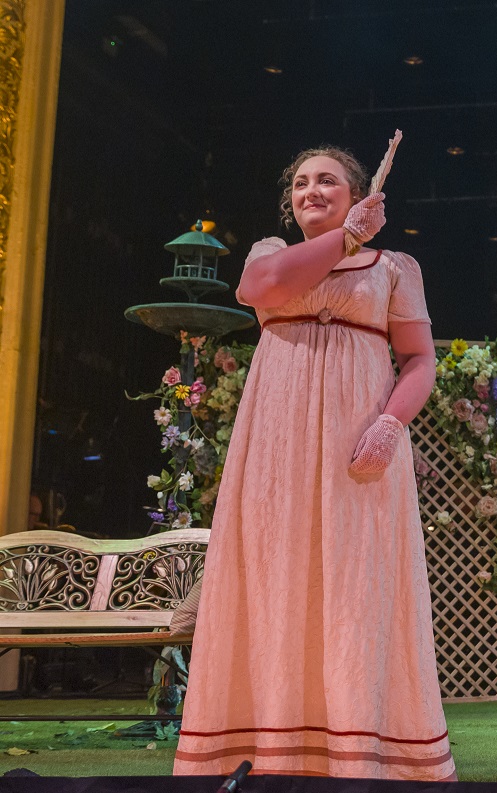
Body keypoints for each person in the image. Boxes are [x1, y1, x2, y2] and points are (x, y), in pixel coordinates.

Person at [174, 147, 454, 781]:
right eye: (301, 183)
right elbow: (259, 291)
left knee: (357, 585)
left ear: (359, 194)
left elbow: (419, 359)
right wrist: (343, 239)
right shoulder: (269, 252)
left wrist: (390, 422)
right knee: (275, 579)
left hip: (358, 449)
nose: (311, 190)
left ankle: (358, 750)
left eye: (327, 180)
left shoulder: (395, 266)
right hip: (277, 449)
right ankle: (269, 747)